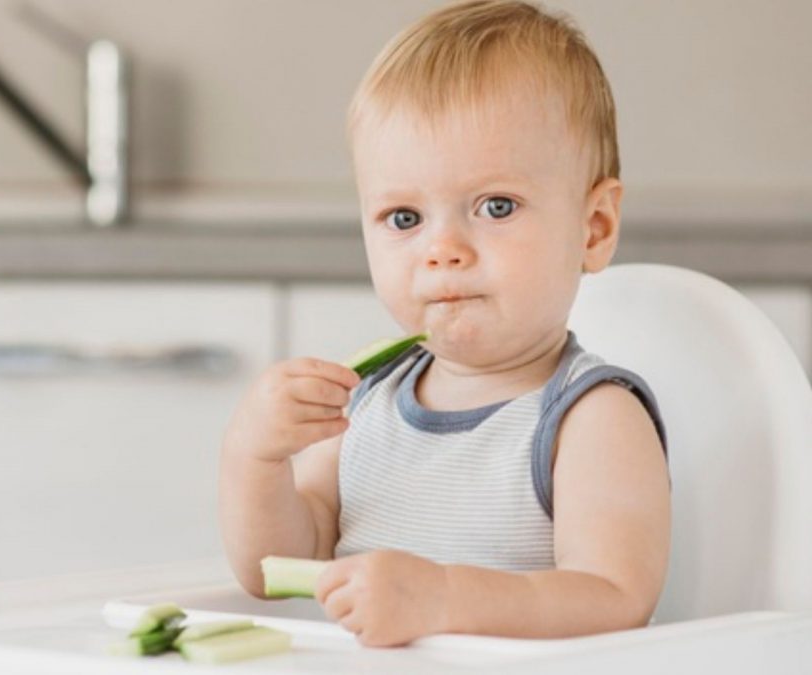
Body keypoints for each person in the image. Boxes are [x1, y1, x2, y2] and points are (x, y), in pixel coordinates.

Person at [219, 0, 671, 647]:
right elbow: (277, 570)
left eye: (495, 205)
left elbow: (614, 595)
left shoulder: (589, 415)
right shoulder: (363, 404)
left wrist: (442, 596)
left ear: (592, 227)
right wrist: (253, 457)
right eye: (405, 217)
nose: (443, 249)